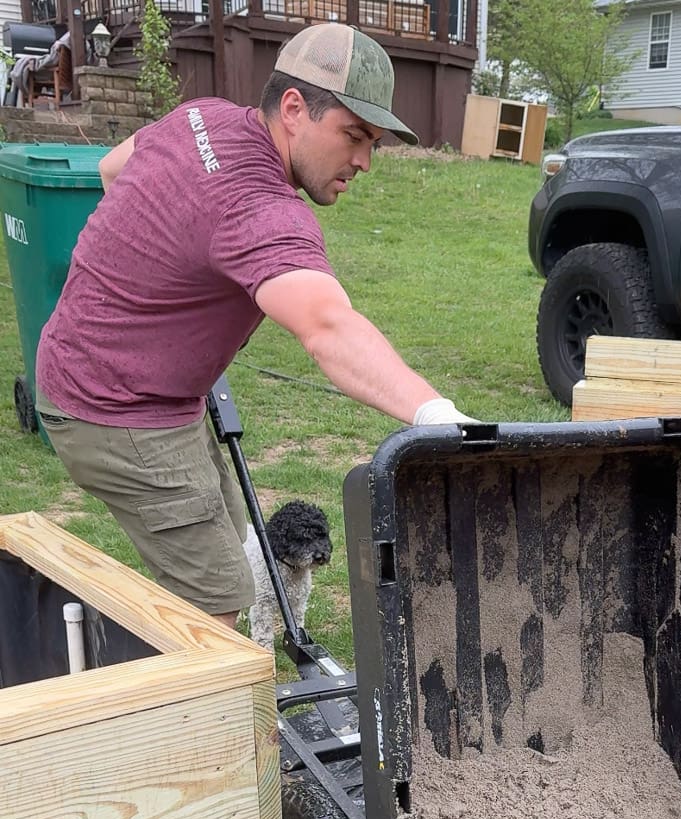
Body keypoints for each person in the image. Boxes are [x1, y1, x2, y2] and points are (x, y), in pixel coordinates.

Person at [35, 23, 470, 628]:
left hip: (114, 377)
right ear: (294, 108)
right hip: (114, 408)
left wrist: (161, 288)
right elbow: (327, 328)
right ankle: (178, 713)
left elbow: (114, 171)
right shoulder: (261, 208)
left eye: (374, 142)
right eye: (353, 136)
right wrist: (438, 416)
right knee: (217, 602)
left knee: (230, 528)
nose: (365, 161)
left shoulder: (202, 116)